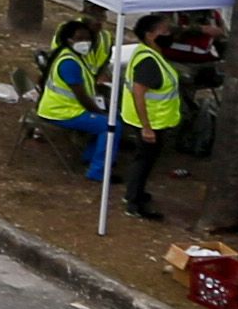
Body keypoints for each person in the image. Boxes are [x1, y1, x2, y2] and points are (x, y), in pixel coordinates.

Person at [110, 21, 187, 219]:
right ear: (150, 35)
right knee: (143, 161)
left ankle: (136, 194)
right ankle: (134, 202)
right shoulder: (149, 61)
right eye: (164, 30)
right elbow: (139, 93)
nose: (169, 33)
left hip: (152, 119)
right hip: (150, 122)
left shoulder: (149, 54)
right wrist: (147, 127)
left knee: (145, 160)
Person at [33, 17, 104, 169]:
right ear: (69, 40)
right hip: (61, 111)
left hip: (64, 108)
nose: (85, 42)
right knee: (111, 126)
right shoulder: (69, 62)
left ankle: (90, 157)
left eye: (87, 38)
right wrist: (98, 111)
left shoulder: (73, 56)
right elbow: (81, 96)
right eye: (80, 38)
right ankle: (99, 168)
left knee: (108, 120)